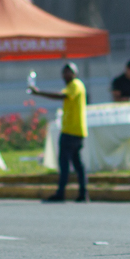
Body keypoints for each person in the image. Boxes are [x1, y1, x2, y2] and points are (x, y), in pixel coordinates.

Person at [30, 62, 88, 203]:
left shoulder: (75, 85)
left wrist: (39, 92)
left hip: (71, 131)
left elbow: (62, 96)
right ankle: (82, 193)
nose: (66, 74)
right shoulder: (74, 85)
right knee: (77, 163)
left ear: (74, 73)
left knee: (65, 163)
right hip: (75, 130)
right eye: (64, 72)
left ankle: (62, 193)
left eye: (69, 71)